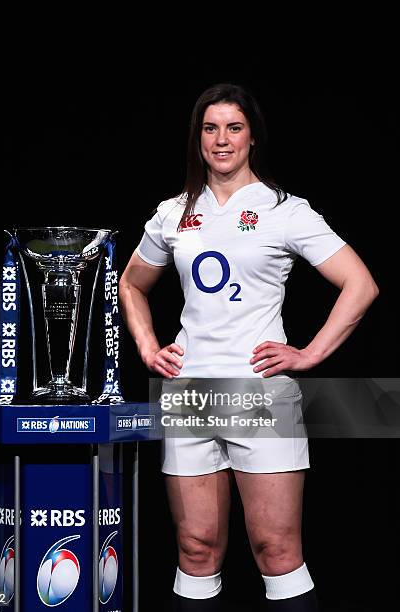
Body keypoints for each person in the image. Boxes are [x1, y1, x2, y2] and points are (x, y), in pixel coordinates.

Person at [118, 83, 379, 611]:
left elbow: (360, 284)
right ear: (197, 140)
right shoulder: (172, 212)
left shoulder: (284, 209)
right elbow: (132, 283)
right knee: (195, 550)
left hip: (260, 395)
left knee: (275, 549)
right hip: (189, 395)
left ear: (252, 137)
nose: (221, 140)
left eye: (233, 128)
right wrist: (149, 347)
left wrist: (308, 354)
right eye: (210, 128)